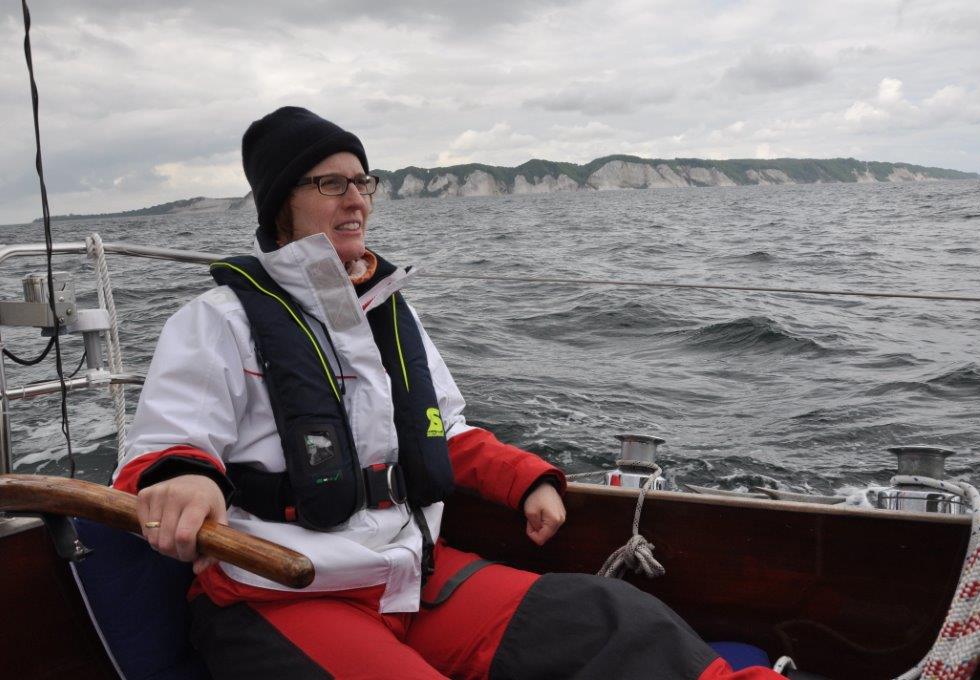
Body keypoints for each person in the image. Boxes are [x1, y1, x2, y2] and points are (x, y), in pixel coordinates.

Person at [113, 106, 786, 680]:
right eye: (331, 183)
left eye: (363, 182)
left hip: (411, 578)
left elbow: (444, 431)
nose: (357, 199)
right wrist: (183, 479)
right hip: (281, 593)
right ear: (280, 205)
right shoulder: (218, 321)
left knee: (617, 621)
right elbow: (164, 448)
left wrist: (524, 480)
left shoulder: (388, 313)